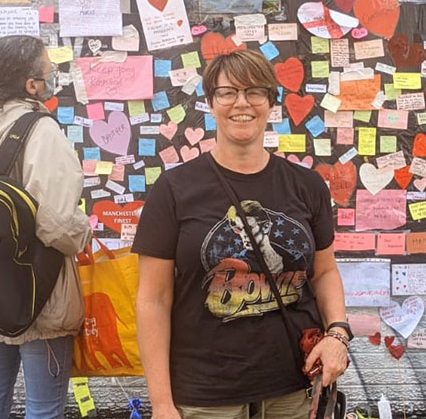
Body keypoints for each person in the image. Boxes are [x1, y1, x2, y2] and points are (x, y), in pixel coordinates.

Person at [133, 49, 350, 419]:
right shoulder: (173, 190)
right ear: (211, 103)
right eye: (227, 92)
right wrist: (161, 404)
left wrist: (338, 335)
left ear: (270, 103)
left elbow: (325, 272)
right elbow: (153, 300)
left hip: (294, 386)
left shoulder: (307, 185)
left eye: (255, 92)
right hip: (205, 393)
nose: (241, 103)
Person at [0, 35, 90, 419]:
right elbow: (57, 223)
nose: (52, 78)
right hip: (39, 297)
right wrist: (85, 232)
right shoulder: (41, 130)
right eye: (48, 71)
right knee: (43, 409)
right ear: (31, 84)